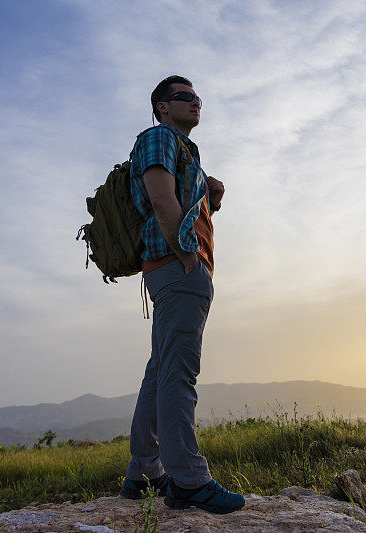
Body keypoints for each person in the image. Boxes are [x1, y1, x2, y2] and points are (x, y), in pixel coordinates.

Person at [118, 75, 245, 514]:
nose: (195, 102)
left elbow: (180, 207)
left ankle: (143, 473)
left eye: (198, 97)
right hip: (179, 269)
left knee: (160, 370)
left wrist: (213, 200)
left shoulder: (183, 149)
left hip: (175, 268)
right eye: (183, 97)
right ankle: (188, 481)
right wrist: (187, 256)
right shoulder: (159, 137)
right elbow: (159, 199)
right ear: (161, 107)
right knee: (178, 374)